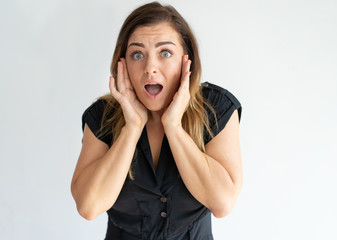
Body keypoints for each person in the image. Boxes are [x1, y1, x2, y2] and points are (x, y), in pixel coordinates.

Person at [71, 2, 243, 239]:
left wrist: (172, 126)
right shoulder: (102, 116)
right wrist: (132, 127)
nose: (150, 67)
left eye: (165, 53)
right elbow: (89, 206)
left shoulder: (215, 108)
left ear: (187, 60)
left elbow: (222, 203)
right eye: (137, 54)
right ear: (124, 65)